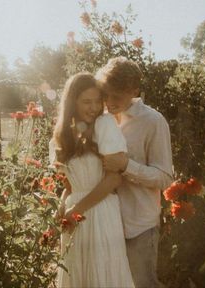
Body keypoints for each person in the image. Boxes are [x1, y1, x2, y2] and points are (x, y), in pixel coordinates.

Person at [67, 57, 173, 288]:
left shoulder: (152, 121)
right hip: (103, 224)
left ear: (134, 91)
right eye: (107, 93)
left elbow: (165, 177)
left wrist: (126, 166)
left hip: (137, 226)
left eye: (118, 96)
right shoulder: (97, 118)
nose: (110, 101)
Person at [51, 72, 134, 287]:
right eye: (86, 101)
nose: (94, 107)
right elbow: (69, 185)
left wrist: (76, 210)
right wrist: (61, 209)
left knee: (102, 275)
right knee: (77, 274)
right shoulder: (62, 135)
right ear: (72, 102)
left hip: (100, 209)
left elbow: (114, 180)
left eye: (98, 101)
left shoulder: (104, 124)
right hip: (74, 215)